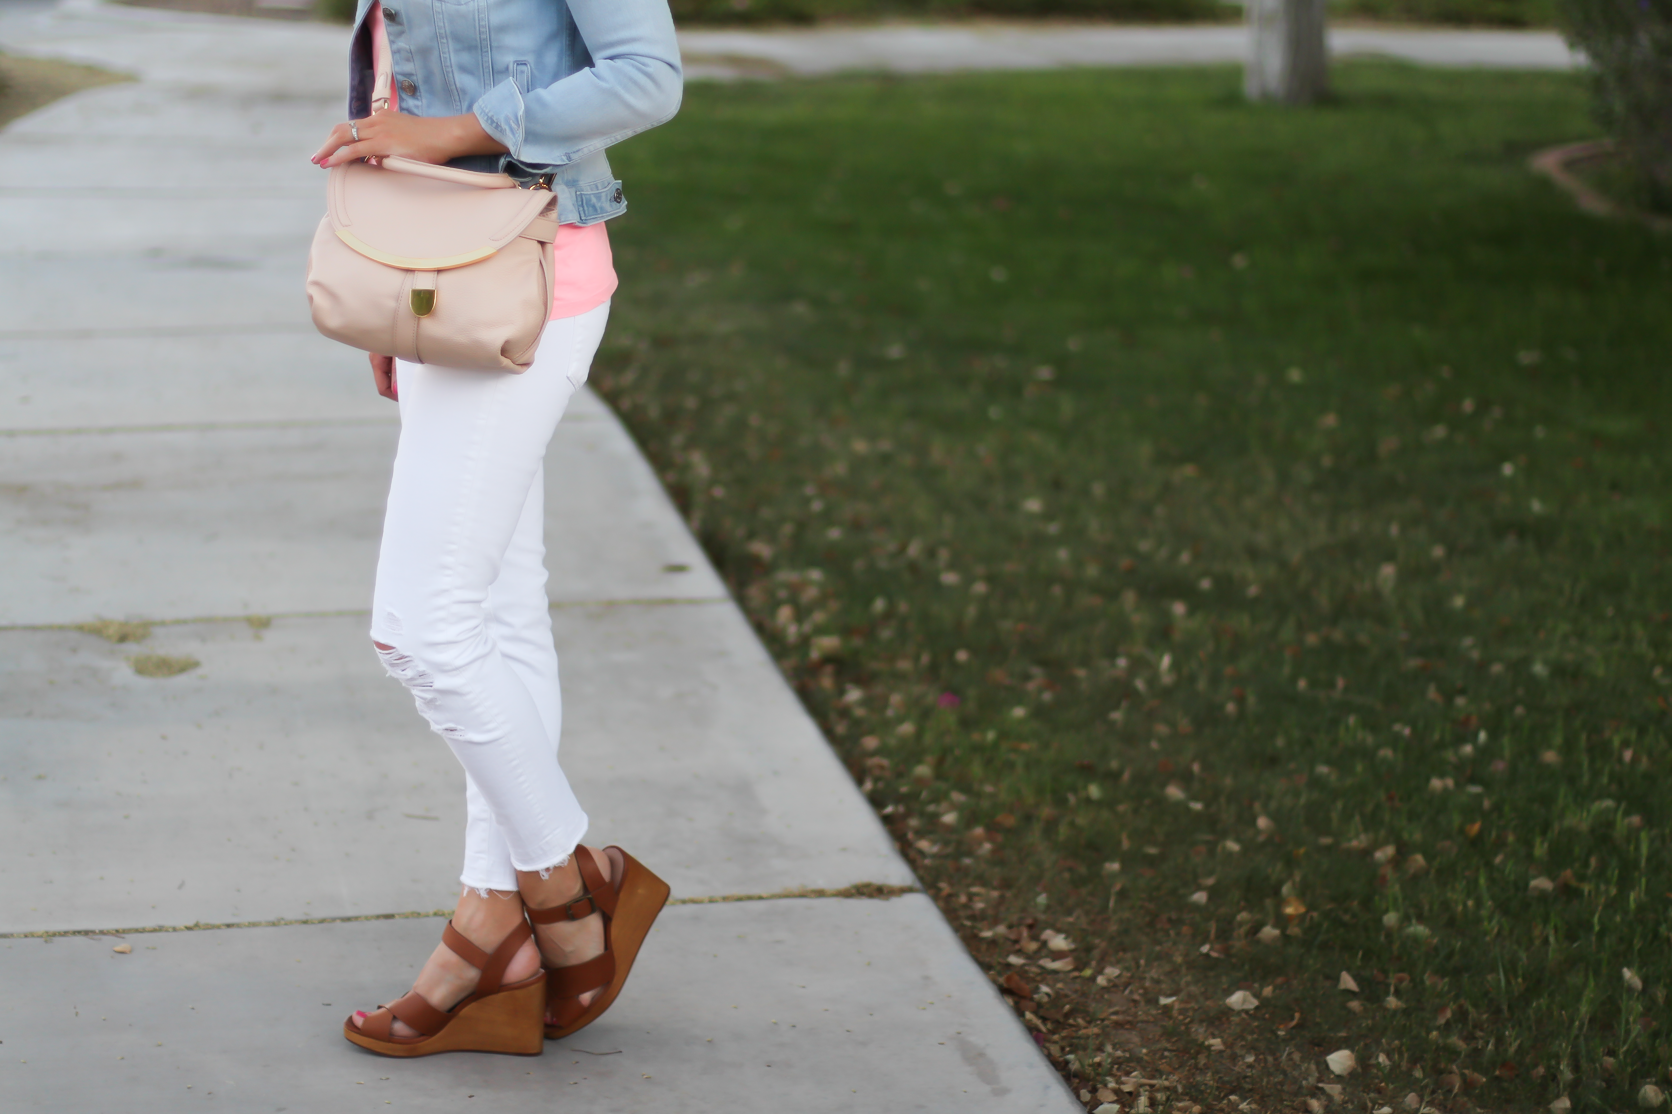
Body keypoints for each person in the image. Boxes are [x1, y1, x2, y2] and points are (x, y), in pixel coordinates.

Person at [309, 0, 683, 1058]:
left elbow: (647, 74)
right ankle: (490, 926)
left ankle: (569, 885)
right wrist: (396, 280)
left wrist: (452, 131)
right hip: (441, 278)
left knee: (418, 629)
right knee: (502, 608)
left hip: (529, 273)